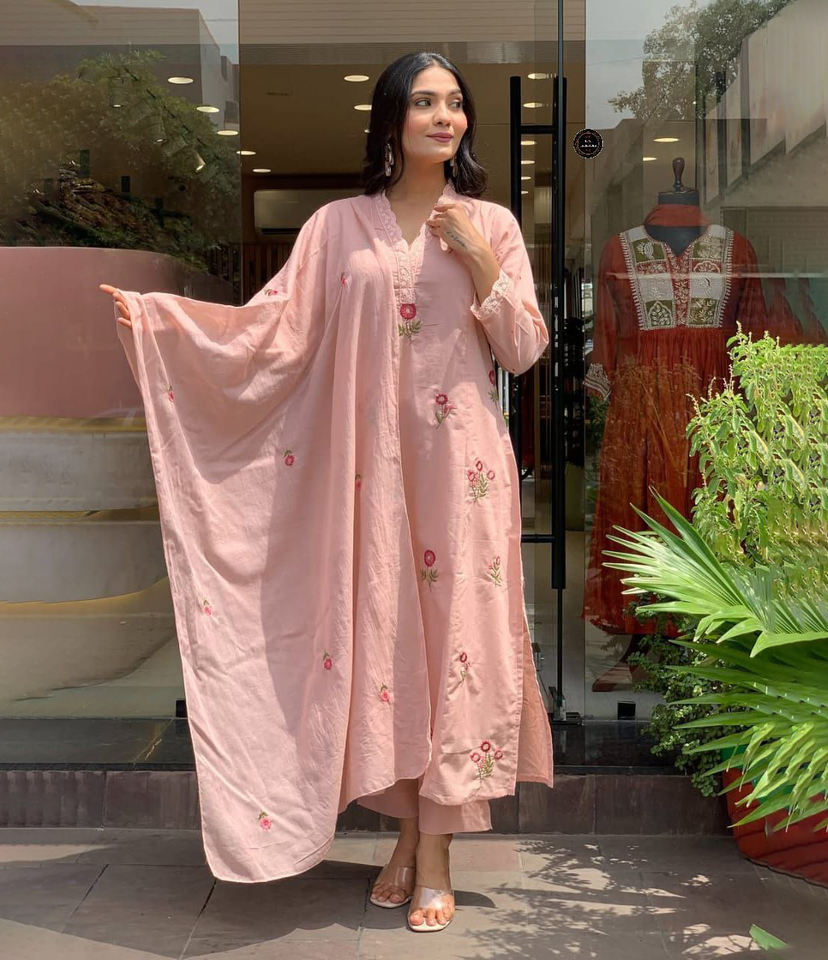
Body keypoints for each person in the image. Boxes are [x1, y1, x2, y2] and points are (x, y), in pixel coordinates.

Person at [101, 50, 554, 934]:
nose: (444, 116)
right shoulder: (337, 227)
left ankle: (433, 853)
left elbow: (525, 348)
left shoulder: (492, 223)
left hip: (460, 473)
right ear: (391, 119)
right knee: (391, 649)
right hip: (371, 475)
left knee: (456, 650)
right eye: (424, 102)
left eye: (455, 103)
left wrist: (479, 262)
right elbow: (273, 330)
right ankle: (408, 833)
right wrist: (165, 323)